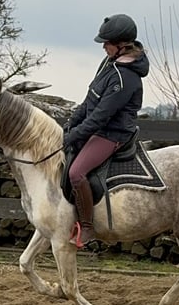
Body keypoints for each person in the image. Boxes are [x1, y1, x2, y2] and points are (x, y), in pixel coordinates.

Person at [62, 13, 150, 248]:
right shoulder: (109, 65)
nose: (103, 47)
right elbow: (89, 100)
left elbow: (101, 116)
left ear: (121, 45)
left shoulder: (127, 78)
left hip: (112, 134)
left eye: (107, 43)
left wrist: (75, 135)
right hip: (97, 128)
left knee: (76, 173)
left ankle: (88, 227)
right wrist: (72, 123)